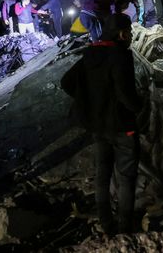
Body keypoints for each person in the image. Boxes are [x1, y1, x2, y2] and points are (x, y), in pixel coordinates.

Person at [61, 13, 143, 235]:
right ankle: (125, 227)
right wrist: (139, 106)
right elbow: (125, 94)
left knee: (102, 174)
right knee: (126, 177)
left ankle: (106, 224)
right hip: (121, 125)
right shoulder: (121, 55)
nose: (131, 37)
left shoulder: (91, 52)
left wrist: (89, 99)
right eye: (130, 33)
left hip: (97, 125)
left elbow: (66, 82)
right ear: (121, 33)